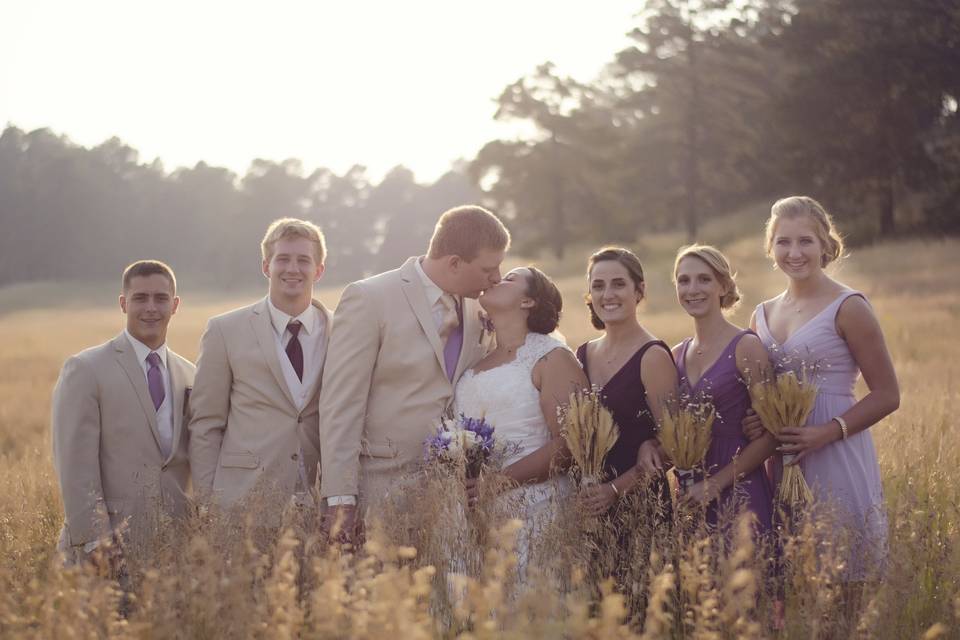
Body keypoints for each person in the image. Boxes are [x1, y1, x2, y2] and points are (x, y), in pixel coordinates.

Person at [319, 205, 510, 543]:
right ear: (454, 263)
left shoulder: (480, 305)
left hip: (453, 498)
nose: (496, 278)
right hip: (382, 487)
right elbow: (341, 404)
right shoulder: (369, 298)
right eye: (488, 269)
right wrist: (340, 497)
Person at [743, 196, 899, 588]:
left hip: (836, 453)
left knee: (843, 580)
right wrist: (757, 417)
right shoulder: (760, 314)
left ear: (826, 245)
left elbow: (887, 394)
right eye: (783, 242)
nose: (794, 252)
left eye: (805, 241)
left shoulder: (849, 307)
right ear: (770, 247)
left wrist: (826, 432)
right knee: (795, 581)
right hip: (782, 460)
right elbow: (759, 391)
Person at [52, 260, 195, 571]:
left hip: (174, 547)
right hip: (107, 546)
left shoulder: (190, 374)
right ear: (123, 303)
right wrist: (94, 539)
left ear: (175, 305)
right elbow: (75, 464)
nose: (151, 308)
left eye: (161, 298)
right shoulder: (86, 368)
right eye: (140, 298)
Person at [189, 218, 332, 518]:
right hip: (241, 505)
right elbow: (205, 424)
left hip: (318, 509)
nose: (292, 268)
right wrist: (207, 502)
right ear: (266, 266)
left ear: (319, 270)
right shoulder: (224, 330)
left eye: (303, 260)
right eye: (283, 259)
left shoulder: (342, 331)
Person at [453, 266, 588, 571]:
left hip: (536, 506)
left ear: (529, 302)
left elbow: (569, 444)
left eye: (510, 278)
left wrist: (497, 483)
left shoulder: (553, 358)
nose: (497, 279)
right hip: (480, 511)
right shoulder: (477, 360)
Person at [671, 244, 776, 533]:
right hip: (691, 495)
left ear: (723, 286)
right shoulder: (676, 354)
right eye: (684, 280)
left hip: (740, 489)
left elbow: (772, 436)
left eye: (704, 279)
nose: (692, 289)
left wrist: (715, 484)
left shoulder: (746, 346)